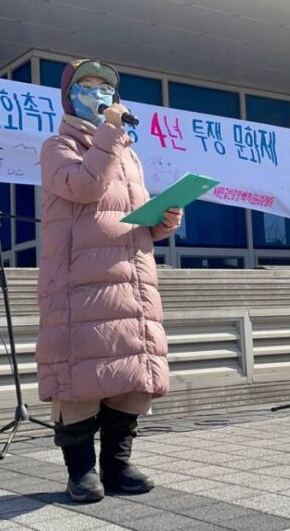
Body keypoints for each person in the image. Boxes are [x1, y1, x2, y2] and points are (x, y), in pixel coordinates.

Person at [37, 59, 182, 503]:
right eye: (88, 85)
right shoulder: (58, 146)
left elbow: (130, 216)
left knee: (131, 375)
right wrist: (110, 134)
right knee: (78, 377)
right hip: (80, 284)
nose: (98, 93)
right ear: (70, 96)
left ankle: (117, 466)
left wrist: (162, 220)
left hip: (131, 279)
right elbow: (85, 188)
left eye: (105, 87)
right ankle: (80, 472)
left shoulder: (127, 153)